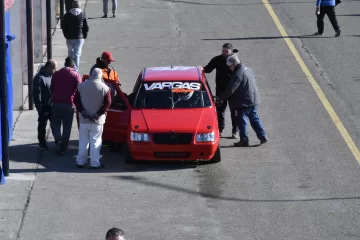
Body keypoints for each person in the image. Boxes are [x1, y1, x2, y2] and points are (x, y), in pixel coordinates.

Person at [217, 54, 268, 147]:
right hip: (253, 99)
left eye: (230, 66)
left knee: (242, 121)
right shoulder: (248, 69)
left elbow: (230, 89)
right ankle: (263, 136)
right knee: (255, 118)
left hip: (242, 102)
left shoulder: (237, 74)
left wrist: (221, 97)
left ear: (234, 64)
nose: (229, 68)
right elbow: (253, 79)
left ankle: (244, 141)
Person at [74, 68, 111, 169]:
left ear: (90, 75)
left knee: (83, 141)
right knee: (96, 141)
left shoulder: (81, 86)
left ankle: (80, 161)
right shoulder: (105, 88)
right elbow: (108, 104)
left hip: (84, 119)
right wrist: (98, 114)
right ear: (101, 76)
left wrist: (82, 111)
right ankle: (95, 163)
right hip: (97, 121)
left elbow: (76, 100)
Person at [203, 43, 239, 138]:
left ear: (231, 52)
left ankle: (235, 131)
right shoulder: (217, 59)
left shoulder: (235, 61)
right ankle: (220, 130)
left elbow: (240, 73)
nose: (224, 53)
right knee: (220, 111)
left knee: (234, 111)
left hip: (233, 91)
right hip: (220, 90)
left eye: (226, 51)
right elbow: (208, 69)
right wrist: (198, 69)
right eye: (223, 50)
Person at [51, 57, 82, 153]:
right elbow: (80, 90)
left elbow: (52, 88)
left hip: (56, 103)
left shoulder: (56, 74)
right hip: (69, 104)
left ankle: (58, 140)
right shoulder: (75, 75)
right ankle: (64, 146)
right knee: (67, 126)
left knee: (55, 124)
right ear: (73, 65)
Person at [33, 59, 57, 150]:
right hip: (44, 106)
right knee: (42, 124)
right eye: (54, 69)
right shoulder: (39, 78)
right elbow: (36, 93)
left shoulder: (51, 76)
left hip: (52, 105)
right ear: (48, 67)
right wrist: (39, 107)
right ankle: (42, 142)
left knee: (55, 124)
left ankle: (57, 141)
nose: (55, 71)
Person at [61, 1, 89, 71]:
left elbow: (63, 26)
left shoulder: (67, 15)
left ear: (72, 6)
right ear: (79, 6)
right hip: (80, 37)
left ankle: (70, 67)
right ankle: (75, 69)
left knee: (70, 53)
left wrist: (66, 34)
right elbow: (86, 27)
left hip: (69, 37)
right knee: (77, 54)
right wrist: (84, 35)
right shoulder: (82, 15)